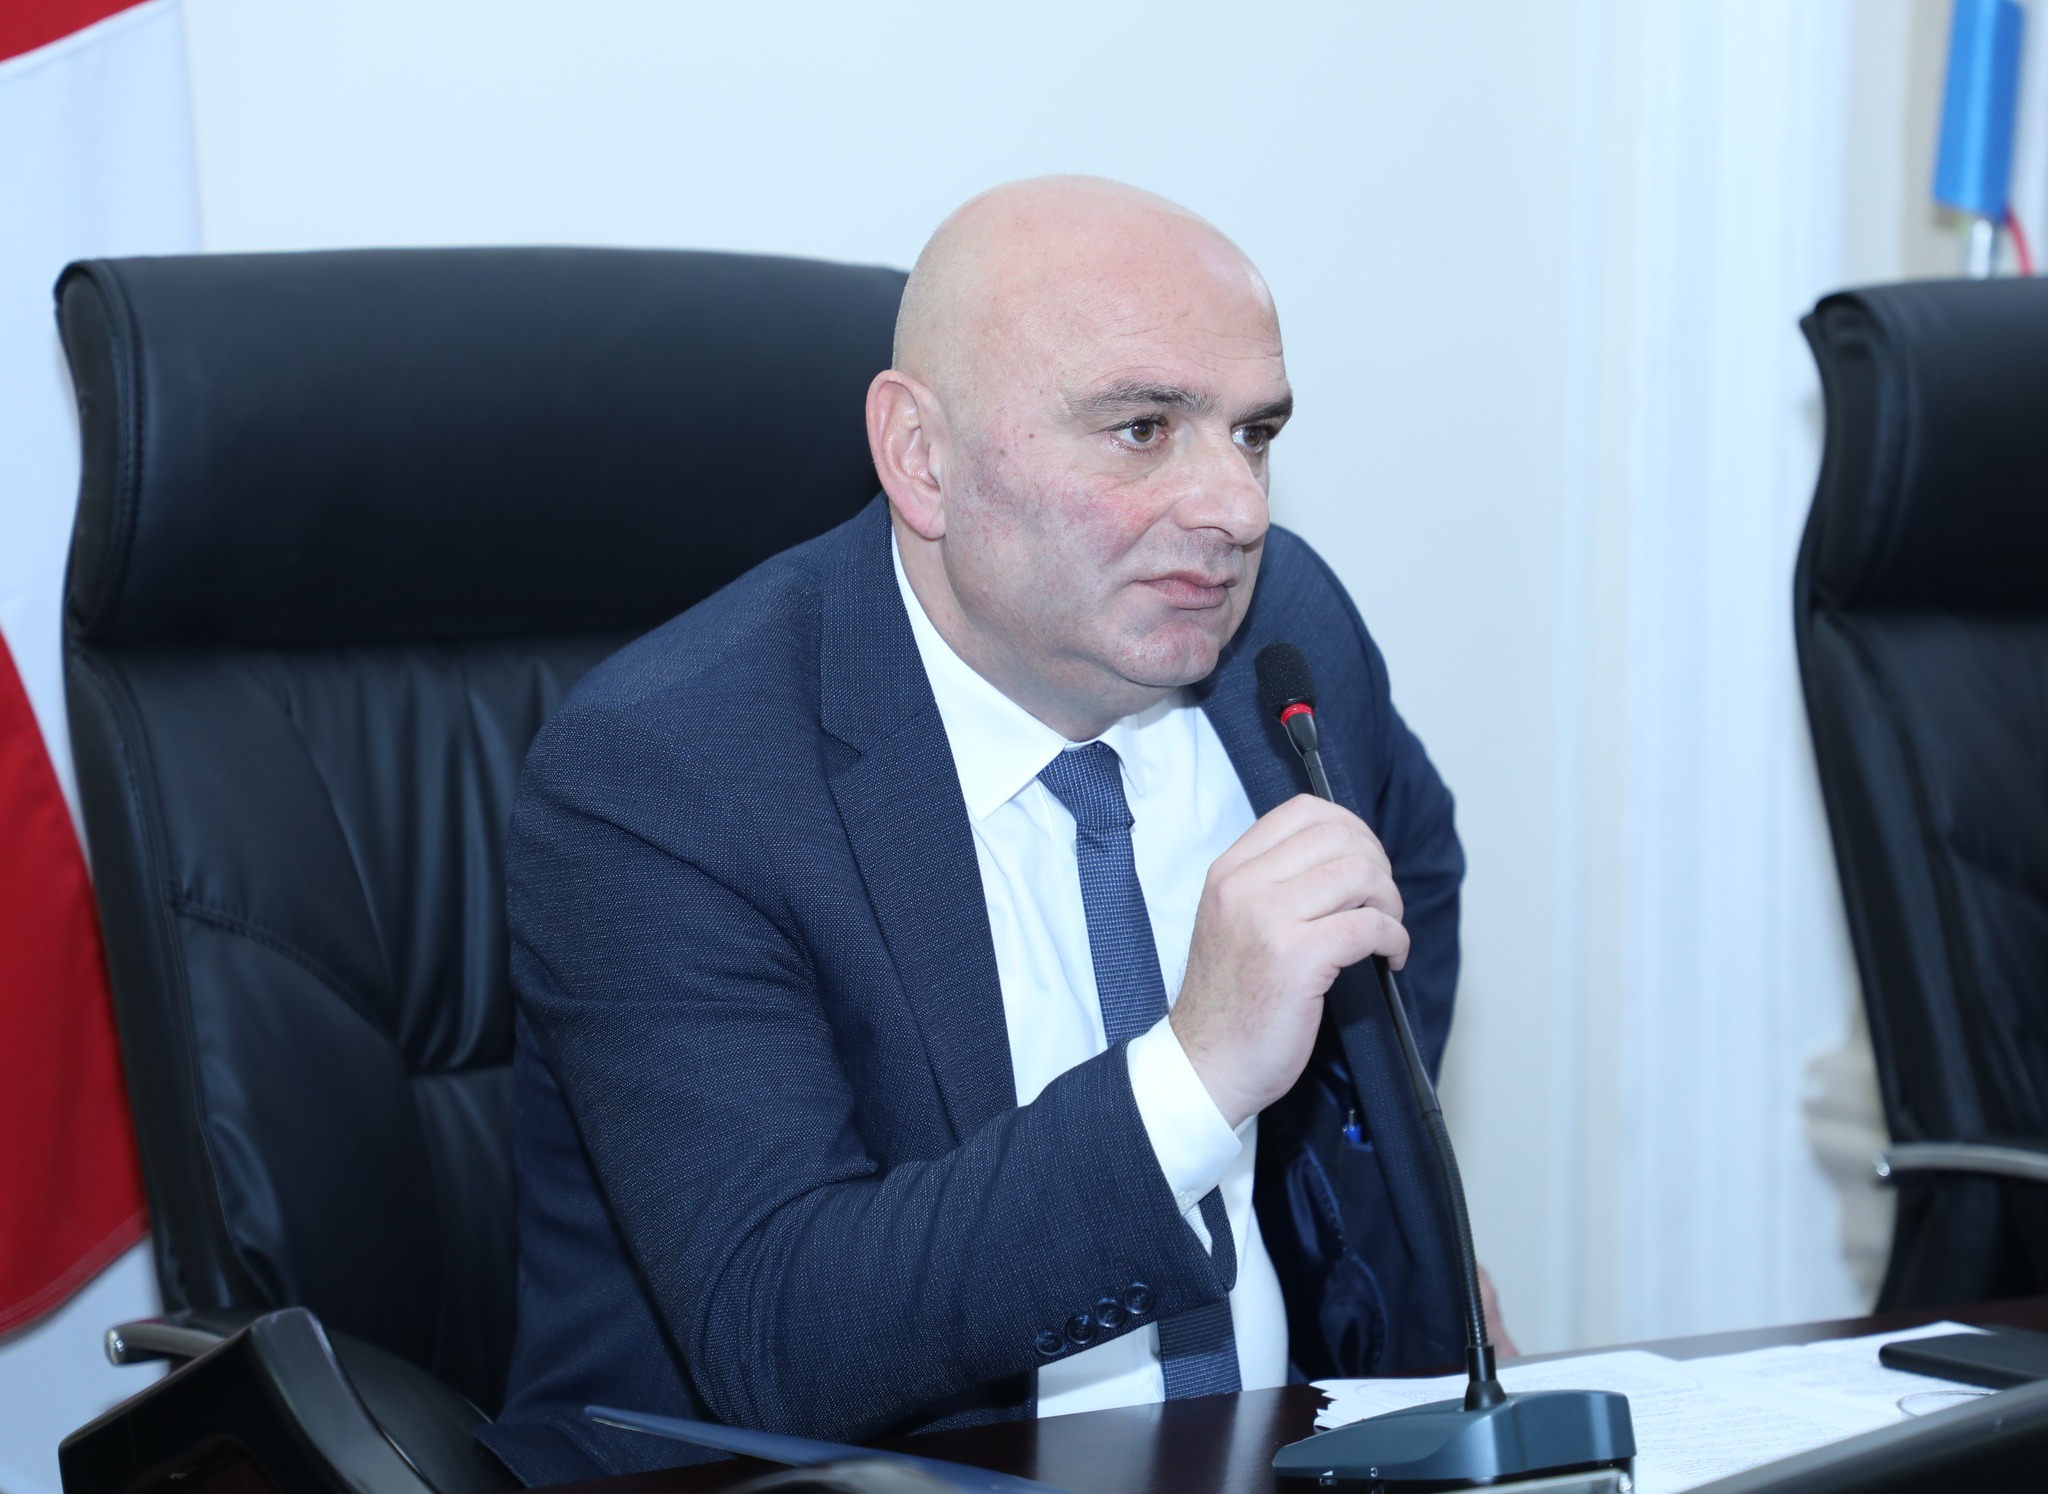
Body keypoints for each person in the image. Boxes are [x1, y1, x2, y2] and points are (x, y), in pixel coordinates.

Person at [479, 177, 1499, 1487]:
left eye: (1253, 433)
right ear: (922, 457)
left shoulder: (1283, 638)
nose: (1238, 508)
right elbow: (782, 1334)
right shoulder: (665, 777)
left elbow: (1413, 872)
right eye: (1142, 429)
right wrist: (1193, 1077)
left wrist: (1371, 1232)